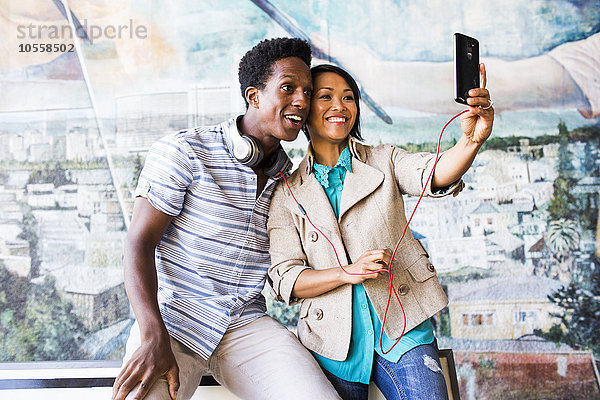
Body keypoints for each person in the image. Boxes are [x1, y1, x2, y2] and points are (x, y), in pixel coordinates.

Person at [112, 38, 341, 400]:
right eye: (288, 88)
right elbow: (138, 245)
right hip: (173, 321)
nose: (302, 100)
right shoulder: (184, 151)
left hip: (245, 324)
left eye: (308, 92)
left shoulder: (293, 182)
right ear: (254, 96)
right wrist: (152, 335)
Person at [267, 63, 494, 399]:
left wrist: (470, 141)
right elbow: (286, 279)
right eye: (326, 97)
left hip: (403, 328)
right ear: (305, 108)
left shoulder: (384, 159)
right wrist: (347, 273)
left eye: (348, 98)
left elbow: (434, 172)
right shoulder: (286, 193)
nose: (340, 106)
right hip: (331, 343)